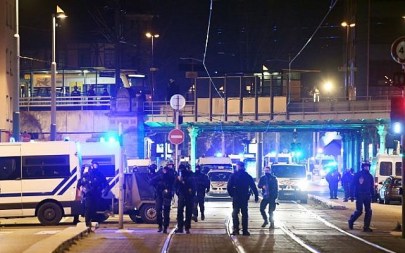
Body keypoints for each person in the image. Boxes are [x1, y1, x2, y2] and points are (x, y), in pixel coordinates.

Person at [227, 161, 259, 236]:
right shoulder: (246, 175)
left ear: (238, 166)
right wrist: (256, 195)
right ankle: (245, 230)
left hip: (237, 196)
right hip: (244, 196)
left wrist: (232, 194)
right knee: (244, 213)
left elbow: (229, 186)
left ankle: (236, 229)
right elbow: (253, 186)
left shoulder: (234, 175)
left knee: (235, 213)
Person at [77, 160, 108, 229]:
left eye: (96, 164)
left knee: (95, 208)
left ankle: (93, 221)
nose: (95, 166)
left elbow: (106, 183)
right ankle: (87, 222)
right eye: (94, 164)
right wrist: (83, 190)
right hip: (89, 194)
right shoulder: (87, 174)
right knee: (88, 208)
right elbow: (79, 184)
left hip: (97, 194)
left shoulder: (100, 174)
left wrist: (105, 191)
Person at [348, 162, 374, 232]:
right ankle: (351, 220)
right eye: (365, 167)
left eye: (368, 167)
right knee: (359, 211)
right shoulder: (358, 175)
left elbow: (372, 186)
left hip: (367, 195)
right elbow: (352, 185)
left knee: (368, 211)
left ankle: (366, 227)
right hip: (359, 194)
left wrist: (373, 195)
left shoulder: (370, 176)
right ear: (363, 167)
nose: (367, 168)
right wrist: (351, 195)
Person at [149, 165, 175, 234]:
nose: (165, 171)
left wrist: (170, 191)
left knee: (166, 211)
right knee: (158, 210)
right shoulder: (159, 176)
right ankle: (160, 225)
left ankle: (165, 227)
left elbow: (174, 185)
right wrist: (157, 186)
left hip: (167, 195)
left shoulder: (170, 177)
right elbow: (151, 182)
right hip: (159, 194)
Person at [174, 164, 196, 234]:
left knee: (188, 212)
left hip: (188, 195)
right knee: (180, 211)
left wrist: (183, 181)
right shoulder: (178, 176)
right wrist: (178, 191)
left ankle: (187, 227)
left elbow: (193, 184)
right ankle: (180, 227)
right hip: (182, 194)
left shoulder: (190, 175)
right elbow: (175, 185)